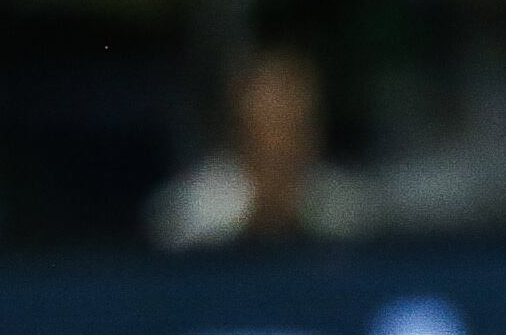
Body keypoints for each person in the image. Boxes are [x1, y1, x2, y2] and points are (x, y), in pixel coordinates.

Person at [144, 45, 372, 247]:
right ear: (237, 128)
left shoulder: (347, 202)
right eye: (270, 124)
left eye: (296, 123)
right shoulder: (190, 207)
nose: (283, 144)